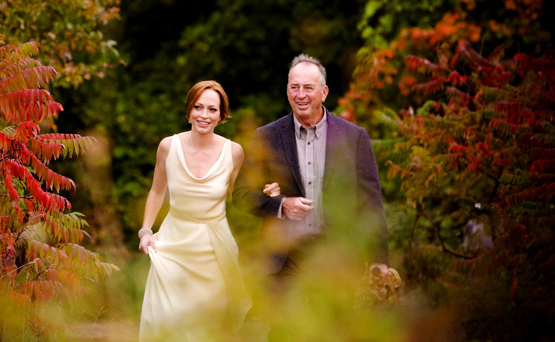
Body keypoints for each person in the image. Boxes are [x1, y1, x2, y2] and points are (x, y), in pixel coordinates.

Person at [233, 54, 389, 283]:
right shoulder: (267, 136)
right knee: (283, 320)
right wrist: (282, 205)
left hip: (338, 256)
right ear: (287, 91)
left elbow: (370, 201)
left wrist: (379, 258)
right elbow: (241, 194)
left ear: (324, 92)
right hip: (285, 259)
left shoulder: (354, 137)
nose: (301, 95)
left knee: (335, 320)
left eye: (308, 87)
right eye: (294, 87)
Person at [138, 81, 263, 340]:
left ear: (222, 115)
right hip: (173, 246)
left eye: (212, 109)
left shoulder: (234, 153)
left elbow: (239, 197)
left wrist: (268, 194)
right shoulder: (168, 147)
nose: (204, 115)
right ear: (189, 111)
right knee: (166, 321)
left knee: (207, 325)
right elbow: (157, 191)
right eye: (198, 107)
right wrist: (146, 231)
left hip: (214, 250)